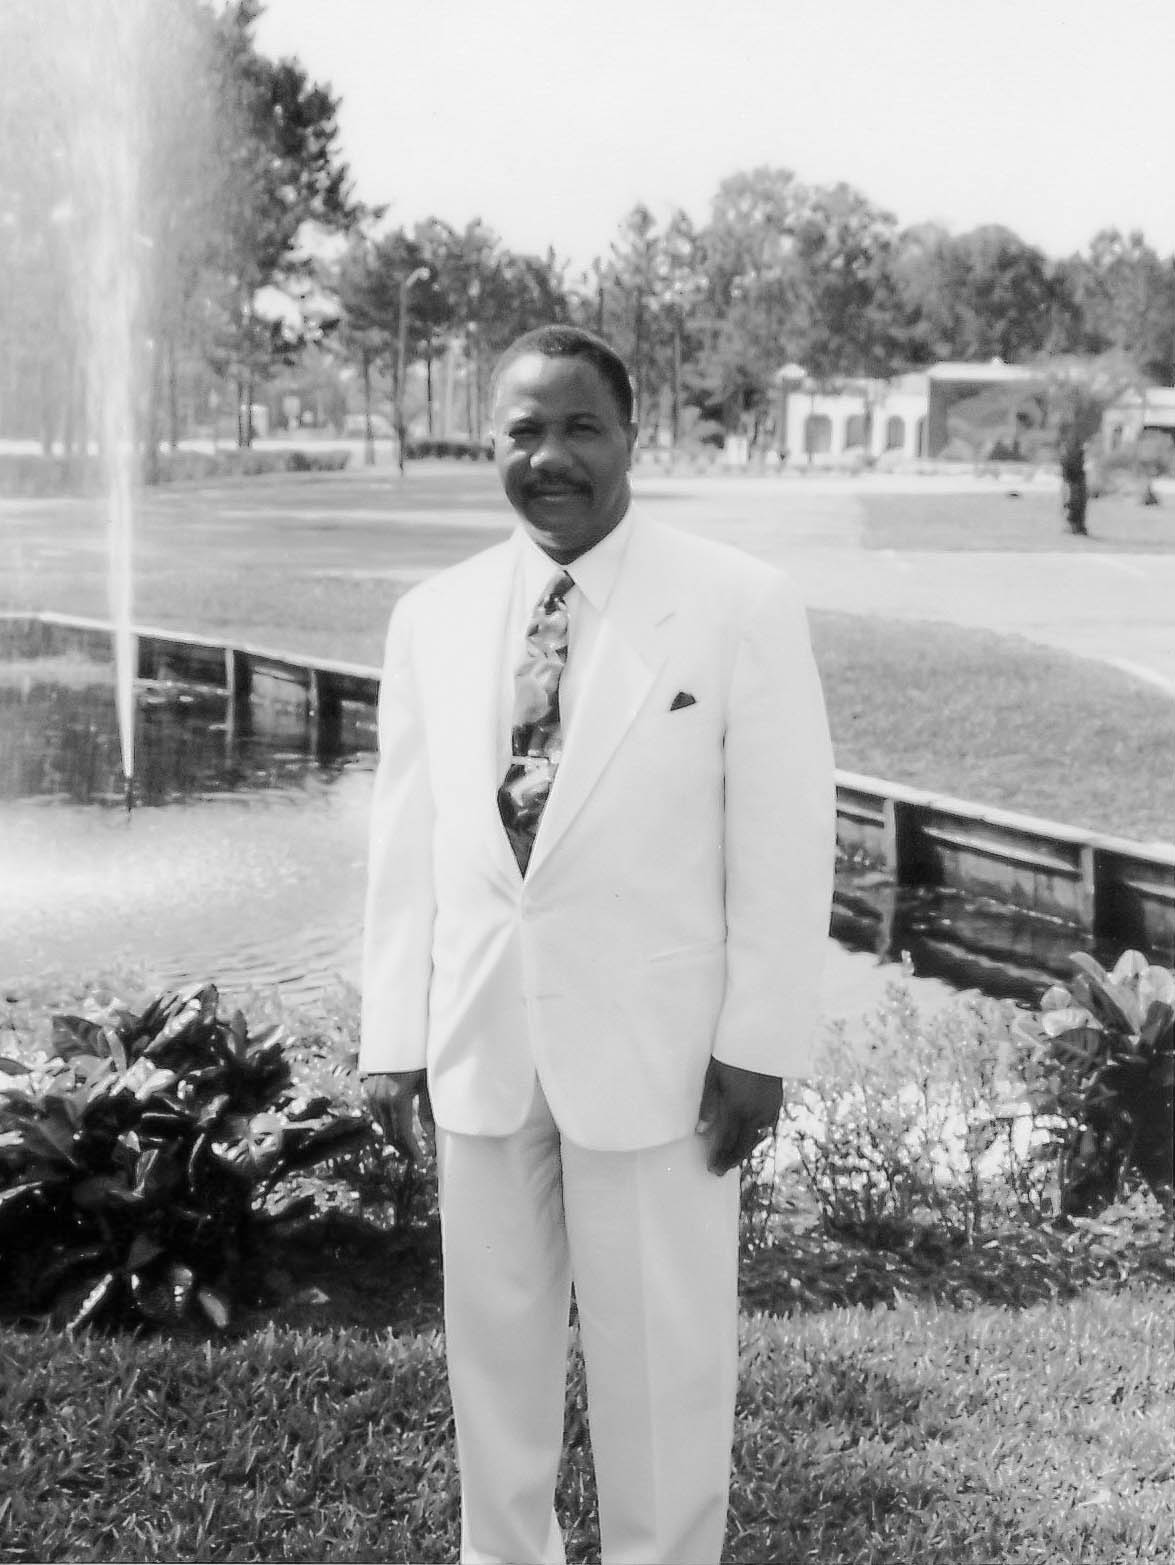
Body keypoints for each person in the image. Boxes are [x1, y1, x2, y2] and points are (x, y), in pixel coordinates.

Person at [359, 325, 835, 1565]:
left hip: (661, 1051)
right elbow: (404, 837)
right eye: (523, 429)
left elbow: (782, 841)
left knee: (662, 1359)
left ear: (633, 437)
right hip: (481, 1035)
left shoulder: (736, 603)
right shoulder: (434, 615)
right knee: (492, 1346)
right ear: (491, 442)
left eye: (579, 427)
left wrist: (759, 1040)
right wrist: (393, 1036)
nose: (549, 455)